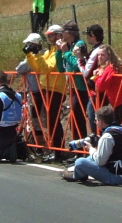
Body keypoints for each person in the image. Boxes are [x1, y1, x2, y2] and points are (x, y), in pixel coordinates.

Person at [60, 104, 122, 185]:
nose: (95, 122)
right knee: (90, 158)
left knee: (80, 162)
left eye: (96, 120)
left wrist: (91, 149)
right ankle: (76, 171)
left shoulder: (107, 136)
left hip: (116, 177)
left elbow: (100, 161)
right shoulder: (121, 129)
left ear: (101, 121)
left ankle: (76, 175)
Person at [25, 24, 66, 157]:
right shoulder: (50, 51)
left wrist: (37, 55)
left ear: (59, 35)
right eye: (48, 35)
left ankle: (58, 149)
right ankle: (54, 148)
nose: (49, 38)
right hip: (46, 88)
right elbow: (38, 68)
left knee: (53, 120)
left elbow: (47, 68)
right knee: (49, 120)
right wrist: (30, 55)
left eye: (51, 35)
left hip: (56, 89)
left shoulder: (59, 52)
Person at [55, 20, 90, 142]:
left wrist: (65, 52)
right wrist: (59, 52)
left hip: (81, 87)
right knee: (75, 117)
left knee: (77, 117)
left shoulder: (79, 44)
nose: (61, 35)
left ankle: (81, 147)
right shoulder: (68, 46)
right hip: (72, 87)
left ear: (68, 33)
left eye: (63, 32)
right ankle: (78, 147)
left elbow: (76, 64)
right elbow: (60, 68)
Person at [74, 24, 104, 135]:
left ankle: (97, 145)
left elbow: (86, 72)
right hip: (97, 89)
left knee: (95, 121)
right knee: (97, 120)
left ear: (93, 36)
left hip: (95, 91)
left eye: (88, 35)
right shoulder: (98, 49)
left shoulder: (97, 51)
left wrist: (79, 59)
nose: (87, 38)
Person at [92, 44, 122, 125]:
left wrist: (96, 77)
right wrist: (100, 71)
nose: (100, 57)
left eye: (103, 55)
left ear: (109, 56)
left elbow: (101, 86)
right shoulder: (109, 66)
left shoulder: (111, 67)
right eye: (98, 55)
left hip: (121, 101)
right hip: (119, 101)